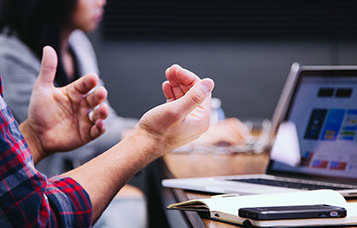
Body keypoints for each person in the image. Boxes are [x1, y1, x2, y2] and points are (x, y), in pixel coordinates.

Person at [0, 45, 214, 227]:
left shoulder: (78, 43)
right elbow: (36, 217)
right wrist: (152, 138)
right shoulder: (9, 54)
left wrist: (35, 140)